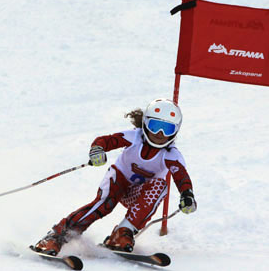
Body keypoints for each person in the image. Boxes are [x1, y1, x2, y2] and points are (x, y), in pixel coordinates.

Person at [34, 98, 197, 254]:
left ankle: (122, 233)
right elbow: (106, 140)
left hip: (138, 194)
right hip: (118, 180)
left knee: (160, 187)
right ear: (146, 124)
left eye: (167, 129)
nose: (160, 134)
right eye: (155, 126)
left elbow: (181, 176)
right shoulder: (135, 137)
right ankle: (58, 235)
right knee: (105, 204)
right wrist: (97, 150)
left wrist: (187, 195)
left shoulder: (171, 154)